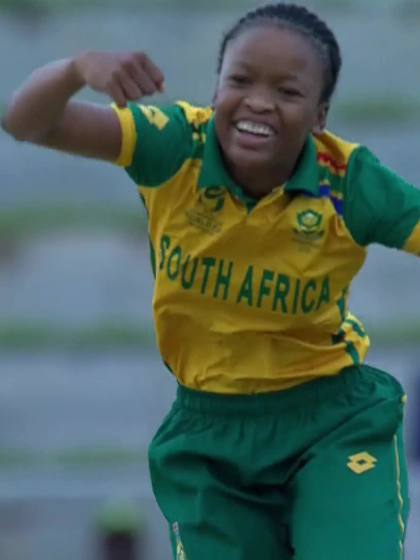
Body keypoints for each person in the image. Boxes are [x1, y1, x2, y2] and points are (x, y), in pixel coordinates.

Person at [2, 3, 419, 559]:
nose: (259, 102)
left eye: (288, 92)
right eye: (240, 80)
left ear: (320, 116)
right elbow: (26, 121)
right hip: (210, 439)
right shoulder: (172, 146)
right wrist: (79, 68)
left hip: (332, 424)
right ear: (217, 86)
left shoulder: (350, 182)